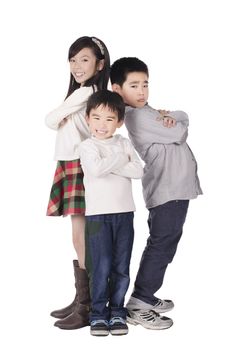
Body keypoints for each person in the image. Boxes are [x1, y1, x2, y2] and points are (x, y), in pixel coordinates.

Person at [110, 57, 202, 330]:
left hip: (174, 188)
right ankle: (140, 303)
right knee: (162, 245)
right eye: (134, 85)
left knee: (165, 244)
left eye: (145, 84)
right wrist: (173, 120)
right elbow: (182, 130)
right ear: (118, 90)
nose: (141, 91)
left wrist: (171, 118)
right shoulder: (137, 116)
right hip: (167, 189)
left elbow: (179, 120)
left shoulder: (148, 111)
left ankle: (146, 294)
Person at [45, 36, 110, 330]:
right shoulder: (85, 93)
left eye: (84, 59)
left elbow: (50, 119)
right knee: (80, 238)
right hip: (70, 165)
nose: (76, 66)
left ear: (100, 64)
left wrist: (61, 115)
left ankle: (89, 305)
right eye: (72, 60)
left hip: (79, 166)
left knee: (83, 238)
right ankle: (81, 300)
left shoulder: (87, 93)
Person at [79, 90, 143, 336]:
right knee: (101, 267)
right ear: (88, 119)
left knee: (121, 266)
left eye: (109, 119)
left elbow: (138, 171)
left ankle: (117, 312)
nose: (102, 124)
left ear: (119, 121)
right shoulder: (86, 146)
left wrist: (112, 162)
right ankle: (98, 315)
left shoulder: (123, 142)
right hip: (97, 216)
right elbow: (95, 171)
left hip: (125, 213)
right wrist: (119, 161)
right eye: (96, 118)